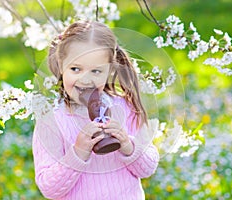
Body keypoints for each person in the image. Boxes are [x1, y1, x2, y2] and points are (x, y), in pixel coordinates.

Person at [32, 20, 159, 200]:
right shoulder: (50, 121)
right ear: (61, 67)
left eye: (96, 71)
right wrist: (78, 153)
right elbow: (49, 188)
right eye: (75, 69)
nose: (86, 80)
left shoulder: (125, 107)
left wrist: (127, 145)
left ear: (109, 71)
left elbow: (148, 168)